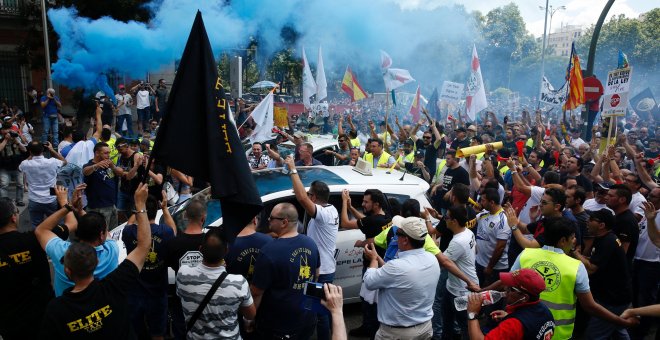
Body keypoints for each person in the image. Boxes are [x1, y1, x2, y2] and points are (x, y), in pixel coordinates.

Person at [39, 183, 151, 338]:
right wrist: (140, 204)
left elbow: (41, 230)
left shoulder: (56, 308)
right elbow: (144, 245)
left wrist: (67, 206)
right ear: (94, 264)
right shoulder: (111, 254)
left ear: (67, 270)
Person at [504, 217, 638, 339]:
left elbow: (508, 286)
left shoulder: (526, 254)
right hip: (557, 334)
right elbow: (590, 306)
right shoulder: (576, 267)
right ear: (563, 240)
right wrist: (622, 322)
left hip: (524, 328)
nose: (574, 240)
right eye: (572, 237)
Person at [284, 155, 338, 340]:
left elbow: (300, 197)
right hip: (320, 268)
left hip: (321, 272)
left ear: (314, 197)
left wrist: (293, 168)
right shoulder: (329, 209)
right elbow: (299, 194)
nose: (306, 196)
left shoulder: (324, 214)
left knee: (320, 313)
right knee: (318, 310)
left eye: (309, 194)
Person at [250, 202, 320, 339]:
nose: (268, 220)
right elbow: (316, 275)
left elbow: (257, 292)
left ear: (284, 222)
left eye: (272, 218)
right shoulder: (310, 243)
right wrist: (312, 308)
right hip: (307, 319)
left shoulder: (269, 251)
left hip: (279, 325)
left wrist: (250, 318)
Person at [363, 216, 440, 339]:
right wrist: (377, 258)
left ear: (405, 240)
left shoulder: (397, 266)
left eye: (397, 233)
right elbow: (393, 274)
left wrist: (373, 260)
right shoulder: (432, 259)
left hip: (397, 333)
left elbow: (369, 282)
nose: (395, 236)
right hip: (425, 328)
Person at [0, 197, 67, 340]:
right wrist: (66, 204)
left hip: (9, 324)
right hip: (44, 317)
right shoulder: (34, 239)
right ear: (13, 218)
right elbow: (71, 224)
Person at [176, 228, 256, 339]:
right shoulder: (239, 283)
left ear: (200, 249)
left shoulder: (183, 273)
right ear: (226, 251)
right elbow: (250, 315)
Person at [571, 208, 633, 339]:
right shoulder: (602, 238)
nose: (587, 221)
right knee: (617, 329)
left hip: (613, 298)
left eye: (591, 220)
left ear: (601, 225)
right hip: (613, 295)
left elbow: (592, 268)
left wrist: (575, 253)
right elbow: (594, 260)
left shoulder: (608, 241)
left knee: (594, 335)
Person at [122, 193, 176, 340]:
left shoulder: (129, 232)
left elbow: (129, 224)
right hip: (158, 293)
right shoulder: (165, 232)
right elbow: (173, 230)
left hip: (135, 293)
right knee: (158, 334)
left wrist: (137, 207)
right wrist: (165, 209)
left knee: (136, 333)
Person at [340, 188, 391, 338]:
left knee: (368, 299)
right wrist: (351, 208)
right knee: (374, 300)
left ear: (376, 204)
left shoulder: (371, 221)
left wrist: (344, 203)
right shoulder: (386, 217)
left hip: (371, 265)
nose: (363, 204)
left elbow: (345, 222)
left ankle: (370, 329)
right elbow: (364, 221)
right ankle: (370, 327)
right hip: (382, 263)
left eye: (366, 202)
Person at [467, 269, 555, 340]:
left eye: (511, 288)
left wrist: (472, 314)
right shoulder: (546, 311)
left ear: (524, 297)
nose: (505, 288)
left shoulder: (514, 324)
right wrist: (509, 316)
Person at [166, 199, 207, 340]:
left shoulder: (174, 243)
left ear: (185, 216)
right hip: (207, 301)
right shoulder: (211, 242)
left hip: (181, 302)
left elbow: (170, 266)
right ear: (204, 218)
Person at [440, 205, 479, 340]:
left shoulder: (458, 241)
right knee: (448, 320)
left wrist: (433, 244)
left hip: (462, 292)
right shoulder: (468, 232)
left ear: (454, 221)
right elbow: (475, 250)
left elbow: (443, 262)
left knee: (466, 327)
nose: (444, 219)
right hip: (453, 287)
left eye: (446, 217)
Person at [19, 141, 67, 228]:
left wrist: (31, 154)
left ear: (30, 151)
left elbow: (20, 167)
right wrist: (52, 150)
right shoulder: (53, 162)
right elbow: (64, 161)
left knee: (36, 225)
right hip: (51, 198)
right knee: (57, 223)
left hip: (34, 199)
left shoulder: (25, 164)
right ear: (43, 150)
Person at [83, 142, 123, 230]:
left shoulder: (109, 165)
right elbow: (85, 171)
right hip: (99, 208)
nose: (108, 155)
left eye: (109, 153)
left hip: (112, 205)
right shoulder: (90, 165)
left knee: (113, 232)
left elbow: (121, 173)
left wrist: (113, 167)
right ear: (97, 153)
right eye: (106, 153)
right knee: (101, 234)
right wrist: (96, 166)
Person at [475, 188, 510, 285]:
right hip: (480, 262)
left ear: (492, 202)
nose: (480, 203)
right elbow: (468, 222)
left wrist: (490, 267)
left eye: (483, 200)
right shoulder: (483, 215)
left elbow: (500, 247)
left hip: (495, 268)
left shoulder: (503, 220)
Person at [225, 215, 273, 282]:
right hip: (261, 290)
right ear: (254, 220)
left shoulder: (226, 243)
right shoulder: (269, 241)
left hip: (234, 289)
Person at [606, 183, 639, 267]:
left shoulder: (626, 221)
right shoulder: (617, 217)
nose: (606, 198)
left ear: (622, 200)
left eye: (611, 196)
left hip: (617, 272)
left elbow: (622, 251)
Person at [115, 138, 145, 223]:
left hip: (135, 190)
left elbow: (130, 176)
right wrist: (125, 173)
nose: (119, 151)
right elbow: (118, 172)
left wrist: (127, 172)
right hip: (123, 189)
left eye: (120, 149)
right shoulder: (121, 156)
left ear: (126, 146)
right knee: (119, 211)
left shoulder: (136, 156)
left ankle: (132, 227)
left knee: (135, 213)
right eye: (118, 149)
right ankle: (126, 226)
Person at [0, 123, 27, 205]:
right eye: (6, 130)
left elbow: (25, 150)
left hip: (17, 166)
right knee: (4, 185)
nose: (8, 132)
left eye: (9, 129)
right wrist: (5, 139)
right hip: (4, 167)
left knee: (20, 184)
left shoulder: (15, 138)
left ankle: (19, 200)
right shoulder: (1, 139)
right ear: (2, 131)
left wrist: (16, 140)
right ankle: (4, 202)